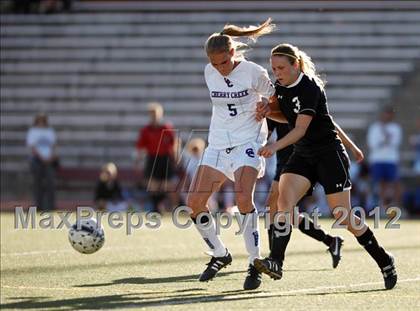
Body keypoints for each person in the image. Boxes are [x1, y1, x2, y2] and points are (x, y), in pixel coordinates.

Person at [253, 43, 397, 290]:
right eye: (273, 68)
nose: (276, 73)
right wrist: (266, 111)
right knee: (283, 204)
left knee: (343, 216)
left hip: (329, 154)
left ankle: (385, 260)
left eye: (281, 68)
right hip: (304, 154)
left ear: (295, 65)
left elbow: (299, 129)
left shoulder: (310, 86)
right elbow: (286, 117)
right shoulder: (280, 87)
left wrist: (274, 148)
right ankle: (276, 261)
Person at [186, 18, 276, 290]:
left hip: (248, 141)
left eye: (223, 62)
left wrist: (266, 105)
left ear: (233, 53)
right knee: (194, 203)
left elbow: (276, 97)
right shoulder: (209, 72)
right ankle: (220, 253)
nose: (219, 68)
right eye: (214, 63)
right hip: (217, 144)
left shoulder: (252, 71)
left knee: (242, 197)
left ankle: (254, 262)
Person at [265, 119, 364, 268]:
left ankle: (273, 258)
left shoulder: (302, 99)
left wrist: (352, 147)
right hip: (285, 159)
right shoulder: (275, 104)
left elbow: (329, 124)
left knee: (278, 207)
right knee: (282, 209)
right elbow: (265, 132)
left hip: (300, 161)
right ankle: (330, 241)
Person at [136, 102, 178, 213]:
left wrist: (175, 157)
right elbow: (140, 147)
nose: (154, 116)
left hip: (165, 158)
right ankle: (156, 208)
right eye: (152, 113)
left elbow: (174, 143)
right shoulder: (145, 130)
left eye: (156, 113)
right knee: (153, 185)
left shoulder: (167, 128)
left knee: (169, 185)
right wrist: (138, 160)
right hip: (152, 157)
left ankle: (175, 208)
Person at [367, 106, 403, 211]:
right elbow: (372, 144)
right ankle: (383, 206)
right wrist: (384, 140)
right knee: (381, 183)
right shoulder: (375, 128)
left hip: (391, 159)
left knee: (395, 183)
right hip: (377, 159)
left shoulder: (396, 128)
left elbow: (395, 143)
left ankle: (397, 206)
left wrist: (384, 140)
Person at [26, 113, 58, 211]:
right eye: (39, 120)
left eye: (43, 120)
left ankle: (51, 206)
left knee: (50, 184)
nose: (41, 122)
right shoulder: (33, 131)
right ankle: (38, 206)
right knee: (38, 184)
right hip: (37, 161)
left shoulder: (50, 131)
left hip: (49, 161)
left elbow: (54, 146)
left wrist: (51, 157)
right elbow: (32, 147)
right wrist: (42, 158)